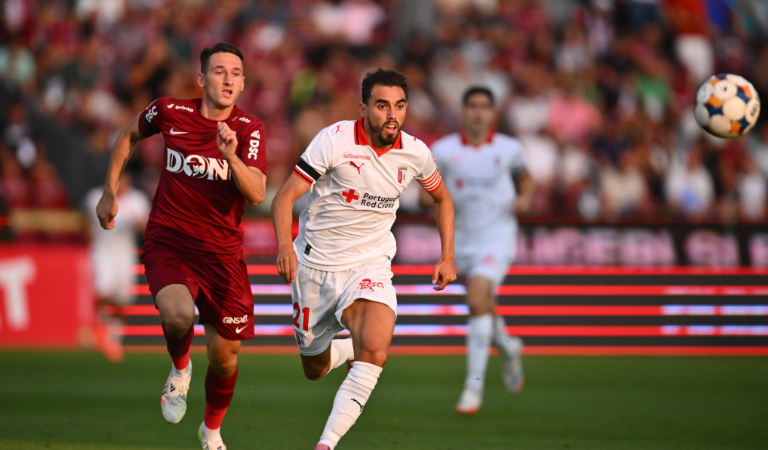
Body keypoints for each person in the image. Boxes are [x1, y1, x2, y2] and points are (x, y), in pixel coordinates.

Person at [271, 68, 457, 450]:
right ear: (363, 108)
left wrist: (447, 255)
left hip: (370, 264)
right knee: (314, 369)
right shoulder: (334, 140)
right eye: (382, 105)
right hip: (315, 269)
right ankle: (346, 348)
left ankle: (326, 443)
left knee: (375, 349)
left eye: (400, 106)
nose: (392, 115)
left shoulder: (415, 152)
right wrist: (285, 246)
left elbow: (442, 199)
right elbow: (284, 197)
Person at [95, 42, 267, 450]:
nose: (228, 79)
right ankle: (180, 368)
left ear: (243, 83)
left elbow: (258, 193)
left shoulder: (249, 129)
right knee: (177, 316)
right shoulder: (170, 111)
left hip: (222, 256)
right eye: (219, 71)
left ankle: (211, 431)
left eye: (235, 73)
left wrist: (232, 158)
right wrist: (110, 192)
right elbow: (127, 135)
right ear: (202, 79)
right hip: (169, 241)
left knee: (225, 358)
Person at [424, 86, 534, 415]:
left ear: (493, 113)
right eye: (472, 105)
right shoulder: (443, 150)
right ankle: (510, 347)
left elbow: (526, 180)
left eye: (484, 106)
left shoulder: (509, 148)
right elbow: (428, 192)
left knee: (476, 299)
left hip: (497, 237)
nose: (477, 111)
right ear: (463, 111)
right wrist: (426, 198)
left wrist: (525, 198)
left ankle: (473, 387)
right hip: (460, 241)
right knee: (483, 304)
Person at [83, 172, 150, 362]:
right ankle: (100, 332)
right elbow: (86, 224)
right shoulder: (95, 197)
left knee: (122, 301)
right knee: (103, 293)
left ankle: (114, 339)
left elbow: (147, 229)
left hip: (125, 255)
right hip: (102, 252)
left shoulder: (137, 201)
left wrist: (138, 225)